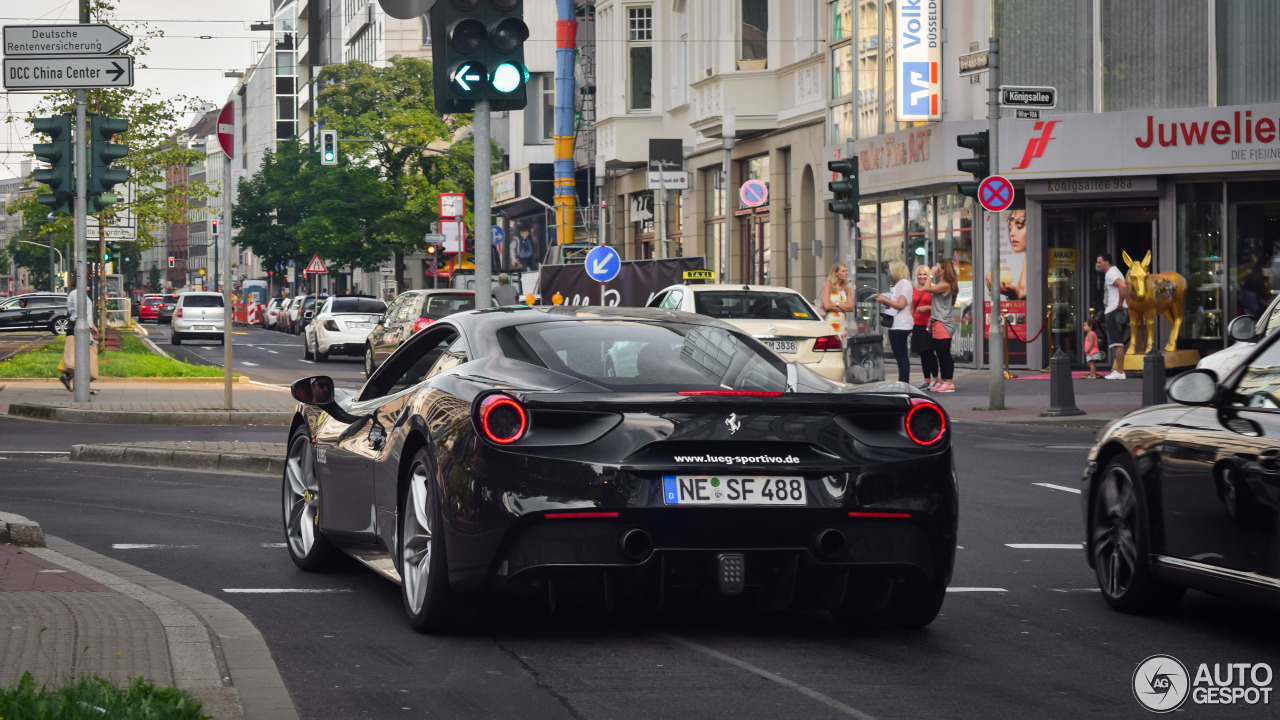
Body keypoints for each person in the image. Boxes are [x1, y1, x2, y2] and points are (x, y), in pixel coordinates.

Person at [922, 259, 959, 393]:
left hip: (944, 323)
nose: (935, 269)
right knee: (940, 353)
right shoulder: (942, 284)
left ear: (943, 270)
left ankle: (949, 382)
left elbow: (926, 288)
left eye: (938, 267)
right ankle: (944, 380)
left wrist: (930, 273)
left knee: (944, 354)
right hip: (937, 322)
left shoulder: (946, 285)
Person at [875, 260, 914, 383]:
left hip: (900, 325)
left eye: (892, 270)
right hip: (899, 324)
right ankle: (903, 382)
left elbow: (900, 304)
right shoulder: (901, 284)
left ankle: (903, 382)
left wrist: (884, 301)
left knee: (901, 357)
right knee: (901, 357)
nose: (890, 273)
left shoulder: (904, 283)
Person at [1096, 252, 1129, 380]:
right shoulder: (1117, 271)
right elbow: (1128, 285)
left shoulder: (1110, 274)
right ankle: (1119, 370)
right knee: (1118, 342)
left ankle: (1120, 372)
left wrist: (1120, 303)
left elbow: (1123, 285)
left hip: (1114, 310)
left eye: (1100, 262)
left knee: (1117, 343)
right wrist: (1126, 303)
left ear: (1107, 262)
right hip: (1120, 310)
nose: (1098, 265)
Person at [911, 263, 939, 390]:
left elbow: (939, 307)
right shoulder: (913, 289)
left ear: (929, 276)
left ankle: (936, 378)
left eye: (925, 274)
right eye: (920, 274)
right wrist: (909, 326)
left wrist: (927, 308)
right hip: (917, 324)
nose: (922, 277)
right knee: (922, 353)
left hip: (930, 324)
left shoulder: (933, 288)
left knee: (929, 352)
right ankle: (926, 379)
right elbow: (911, 308)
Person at [819, 262, 855, 342]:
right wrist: (844, 307)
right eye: (843, 271)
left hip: (843, 323)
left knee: (841, 349)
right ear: (835, 273)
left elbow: (851, 307)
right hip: (831, 321)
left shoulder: (847, 289)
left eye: (846, 271)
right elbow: (827, 306)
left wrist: (837, 304)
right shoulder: (828, 285)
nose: (846, 273)